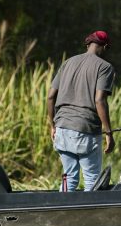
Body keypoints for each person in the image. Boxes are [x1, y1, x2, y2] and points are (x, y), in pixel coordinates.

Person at [47, 31, 116, 191]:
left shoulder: (68, 63)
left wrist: (53, 126)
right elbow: (99, 100)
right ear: (105, 46)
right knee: (92, 180)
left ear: (88, 44)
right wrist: (108, 133)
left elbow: (50, 97)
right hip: (86, 131)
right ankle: (90, 216)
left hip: (62, 128)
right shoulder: (105, 67)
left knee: (68, 178)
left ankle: (63, 213)